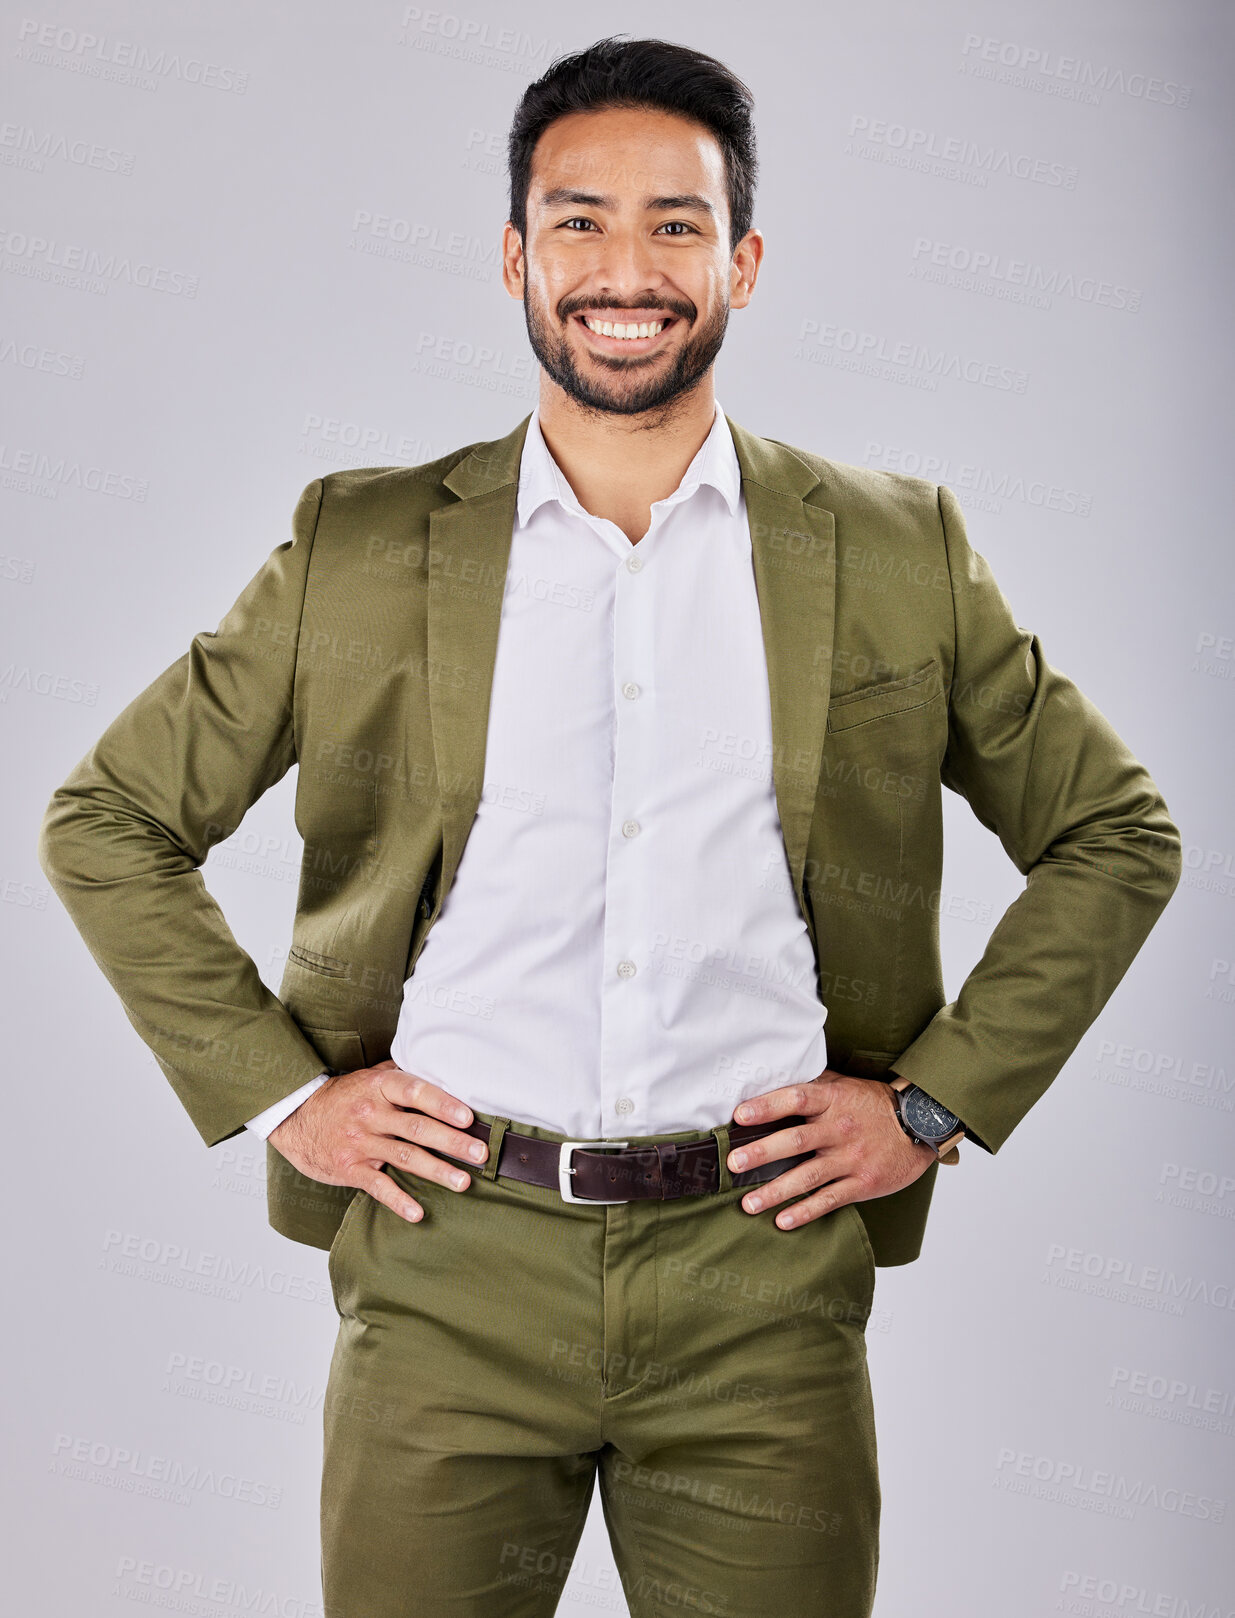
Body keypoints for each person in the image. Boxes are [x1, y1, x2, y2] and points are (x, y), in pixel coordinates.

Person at [37, 34, 1182, 1618]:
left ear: (745, 260)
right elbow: (108, 817)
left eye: (676, 224)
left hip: (759, 1284)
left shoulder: (898, 547)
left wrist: (925, 1108)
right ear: (514, 254)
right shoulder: (360, 543)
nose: (623, 269)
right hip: (447, 1269)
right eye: (578, 221)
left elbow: (1116, 831)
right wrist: (282, 1093)